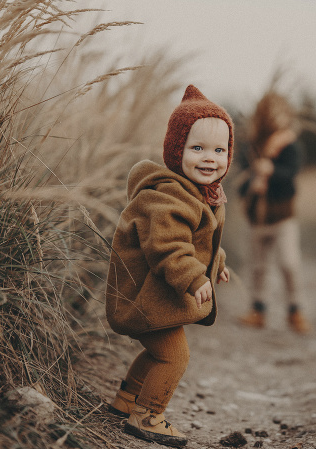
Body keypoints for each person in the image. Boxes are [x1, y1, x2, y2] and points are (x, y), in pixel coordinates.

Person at [105, 85, 232, 447]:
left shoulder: (200, 194)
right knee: (174, 356)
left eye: (219, 150)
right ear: (176, 151)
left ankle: (127, 399)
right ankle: (148, 417)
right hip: (140, 297)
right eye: (197, 148)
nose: (210, 159)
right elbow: (168, 248)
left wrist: (216, 263)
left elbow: (201, 241)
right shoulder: (166, 198)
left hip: (153, 296)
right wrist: (193, 277)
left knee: (157, 351)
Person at [238, 91, 310, 334]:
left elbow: (290, 174)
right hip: (256, 219)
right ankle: (258, 309)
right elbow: (241, 180)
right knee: (258, 267)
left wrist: (270, 170)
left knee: (289, 263)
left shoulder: (289, 145)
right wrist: (252, 183)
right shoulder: (251, 147)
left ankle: (295, 310)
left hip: (283, 218)